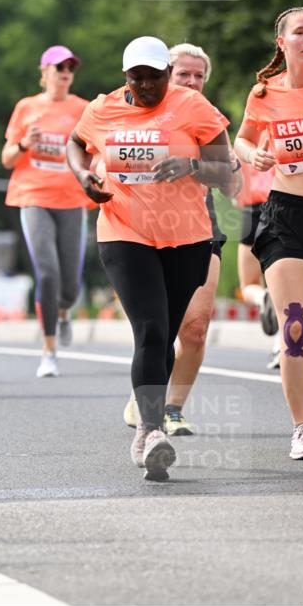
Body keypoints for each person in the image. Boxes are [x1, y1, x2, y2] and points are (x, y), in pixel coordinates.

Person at [67, 36, 232, 481]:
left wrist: (191, 166)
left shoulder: (193, 107)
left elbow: (226, 169)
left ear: (167, 74)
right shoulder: (103, 108)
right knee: (152, 328)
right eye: (137, 77)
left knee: (167, 334)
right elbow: (76, 143)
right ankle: (154, 431)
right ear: (126, 76)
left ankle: (146, 423)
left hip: (187, 237)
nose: (146, 85)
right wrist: (85, 177)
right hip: (124, 231)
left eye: (154, 77)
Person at [123, 43, 242, 435]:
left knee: (195, 327)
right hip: (145, 232)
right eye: (183, 75)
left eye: (198, 76)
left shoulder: (206, 122)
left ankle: (172, 408)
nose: (191, 82)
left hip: (200, 228)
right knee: (158, 327)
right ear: (166, 76)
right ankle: (147, 390)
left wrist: (215, 165)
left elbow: (232, 186)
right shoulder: (139, 114)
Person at [234, 6, 303, 461]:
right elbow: (242, 139)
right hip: (284, 213)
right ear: (282, 42)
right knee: (295, 326)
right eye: (300, 33)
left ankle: (297, 376)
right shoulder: (264, 92)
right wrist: (253, 156)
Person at [1, 45, 92, 378]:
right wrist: (25, 143)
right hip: (33, 195)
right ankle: (48, 351)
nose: (65, 71)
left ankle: (64, 311)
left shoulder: (83, 109)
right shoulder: (26, 107)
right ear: (45, 72)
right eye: (59, 66)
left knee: (69, 285)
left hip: (71, 199)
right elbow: (7, 158)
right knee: (47, 271)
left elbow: (94, 153)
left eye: (70, 66)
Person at [233, 156, 280, 366]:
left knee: (248, 285)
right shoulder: (284, 128)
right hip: (282, 204)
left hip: (251, 211)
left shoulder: (246, 138)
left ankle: (263, 297)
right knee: (291, 290)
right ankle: (282, 345)